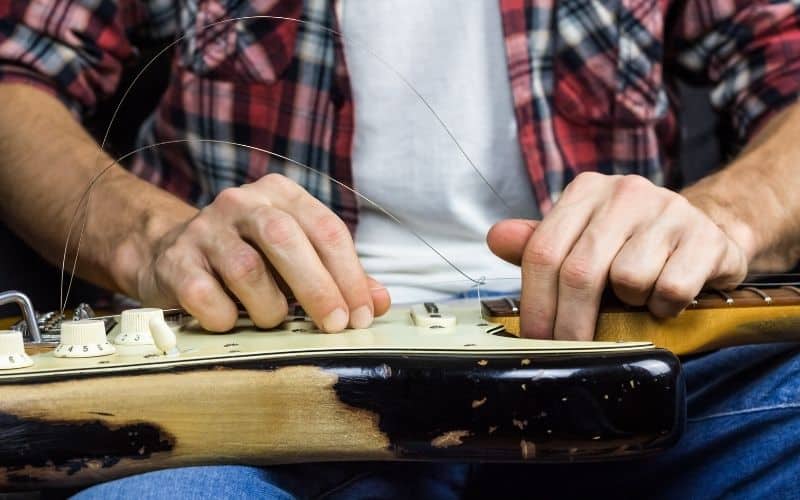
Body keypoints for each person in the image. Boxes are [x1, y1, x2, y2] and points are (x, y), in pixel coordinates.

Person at [0, 0, 799, 497]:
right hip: (266, 384)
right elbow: (17, 78)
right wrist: (152, 239)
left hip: (620, 370)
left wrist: (725, 216)